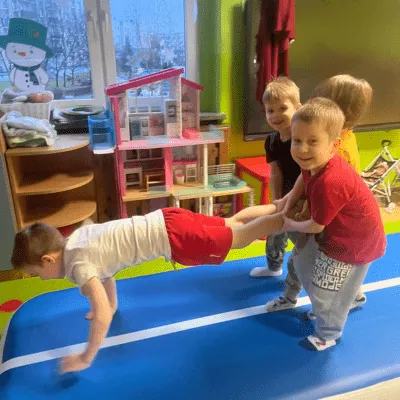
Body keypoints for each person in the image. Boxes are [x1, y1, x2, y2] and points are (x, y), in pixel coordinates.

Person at [11, 204, 284, 373]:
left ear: (48, 260)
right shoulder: (75, 239)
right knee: (230, 223)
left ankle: (285, 219)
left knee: (238, 239)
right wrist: (110, 304)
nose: (40, 279)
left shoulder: (79, 266)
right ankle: (278, 206)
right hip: (167, 218)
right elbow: (107, 269)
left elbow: (101, 315)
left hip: (174, 238)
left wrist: (86, 357)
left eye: (36, 273)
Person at [280, 98, 386, 350]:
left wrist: (287, 223)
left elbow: (316, 226)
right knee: (305, 262)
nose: (302, 149)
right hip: (347, 236)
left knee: (324, 290)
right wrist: (288, 201)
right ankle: (348, 299)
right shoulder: (313, 163)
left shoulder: (330, 181)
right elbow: (303, 180)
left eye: (312, 141)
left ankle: (328, 333)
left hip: (353, 245)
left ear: (334, 146)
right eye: (297, 140)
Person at [267, 74, 373, 314]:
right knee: (307, 260)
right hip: (329, 215)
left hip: (333, 221)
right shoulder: (338, 136)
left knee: (307, 261)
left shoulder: (336, 148)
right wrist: (290, 198)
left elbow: (323, 190)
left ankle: (311, 301)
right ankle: (344, 295)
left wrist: (298, 216)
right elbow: (306, 176)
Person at [249, 76, 302, 279]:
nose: (276, 115)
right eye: (270, 110)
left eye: (283, 108)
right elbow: (275, 172)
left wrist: (297, 201)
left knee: (300, 237)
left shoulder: (302, 139)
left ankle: (305, 272)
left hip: (303, 199)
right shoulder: (271, 141)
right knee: (274, 230)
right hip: (284, 196)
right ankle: (273, 267)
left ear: (298, 108)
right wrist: (276, 200)